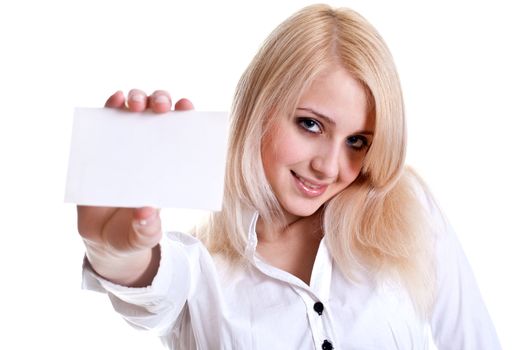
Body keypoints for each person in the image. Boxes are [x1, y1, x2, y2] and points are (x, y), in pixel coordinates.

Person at [78, 4, 501, 349]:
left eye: (357, 141)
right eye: (311, 125)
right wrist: (114, 253)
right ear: (260, 108)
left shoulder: (406, 207)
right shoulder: (202, 267)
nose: (329, 167)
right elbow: (151, 286)